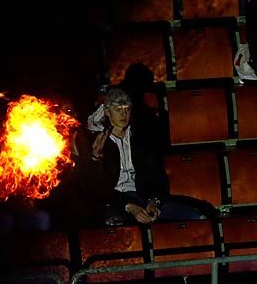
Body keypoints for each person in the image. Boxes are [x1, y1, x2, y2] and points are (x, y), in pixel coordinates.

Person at [84, 87, 207, 225]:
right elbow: (95, 186)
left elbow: (156, 174)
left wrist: (153, 201)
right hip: (114, 200)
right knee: (117, 224)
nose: (124, 114)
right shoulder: (99, 141)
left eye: (127, 109)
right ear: (107, 112)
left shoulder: (140, 138)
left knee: (195, 217)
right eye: (118, 110)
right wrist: (96, 158)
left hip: (142, 196)